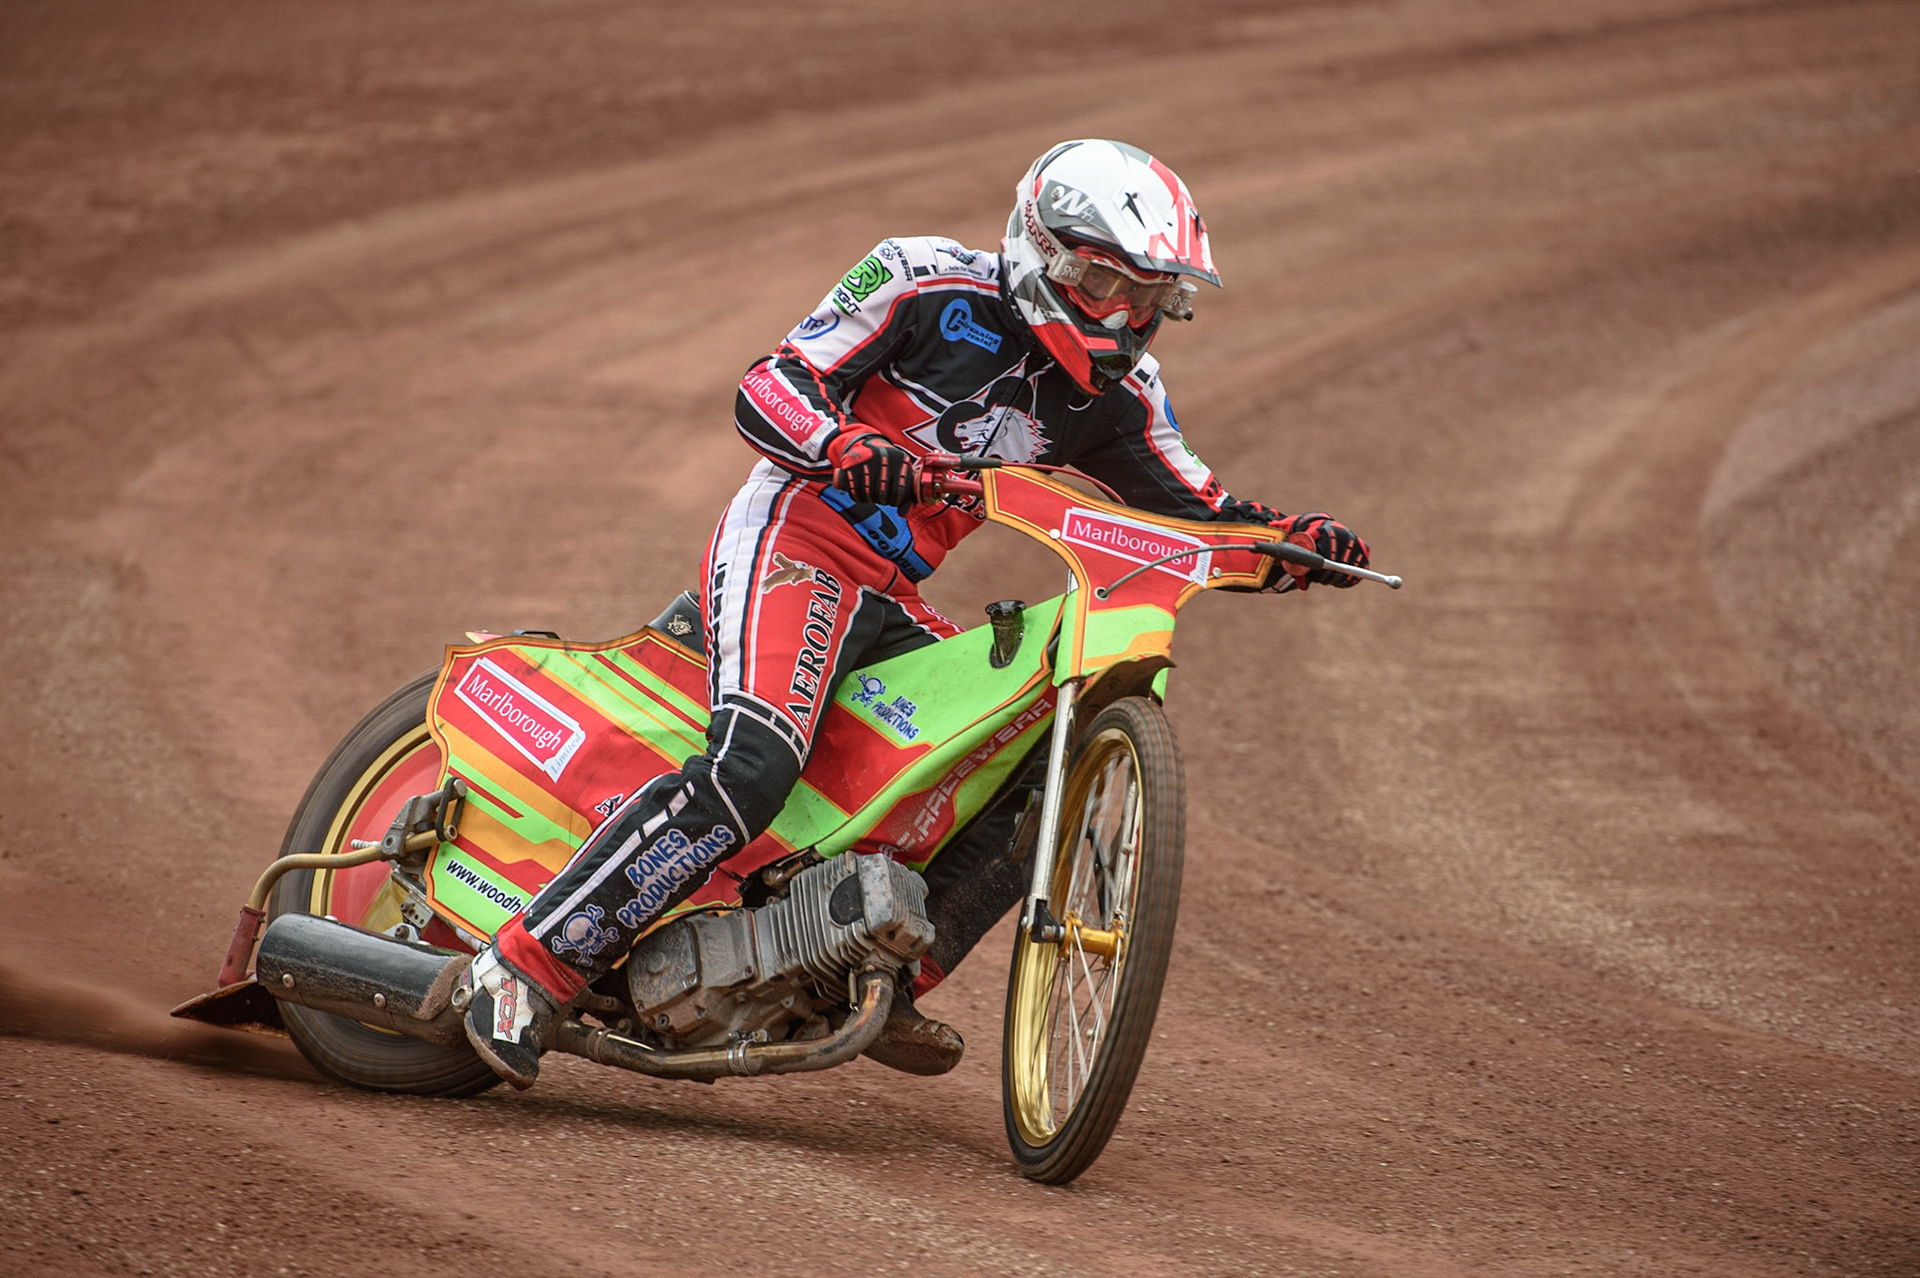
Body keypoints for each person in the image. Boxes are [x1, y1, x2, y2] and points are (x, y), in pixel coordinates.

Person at [457, 139, 1371, 1088]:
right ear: (1044, 251)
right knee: (755, 764)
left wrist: (1293, 544)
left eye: (1149, 299)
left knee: (1032, 758)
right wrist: (844, 444)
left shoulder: (1122, 396)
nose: (1126, 318)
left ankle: (884, 977)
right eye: (1108, 285)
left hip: (891, 594)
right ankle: (522, 968)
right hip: (796, 542)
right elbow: (770, 385)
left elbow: (1202, 512)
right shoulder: (918, 279)